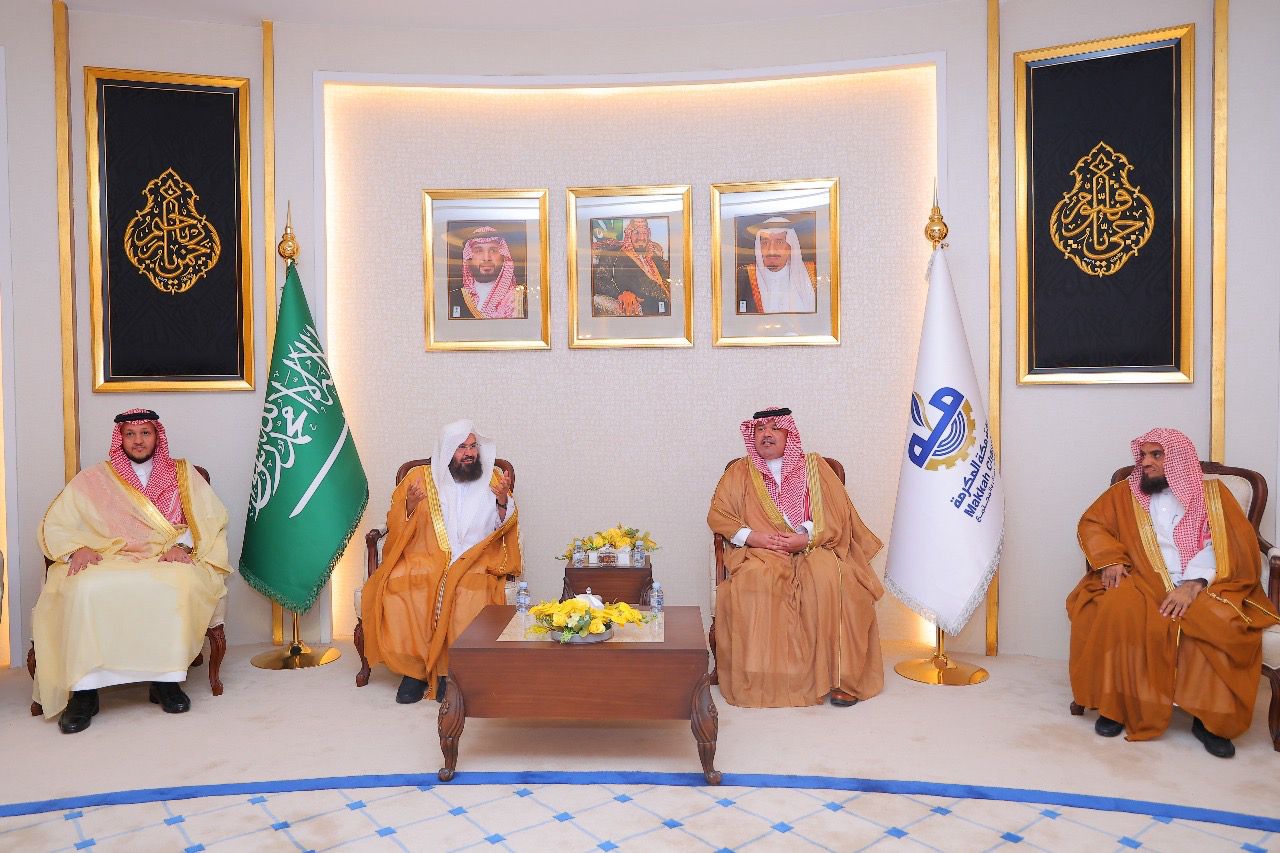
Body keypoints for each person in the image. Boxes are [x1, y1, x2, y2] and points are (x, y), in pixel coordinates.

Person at [1068, 428, 1280, 757]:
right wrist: (1111, 560)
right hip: (1141, 576)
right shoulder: (1125, 492)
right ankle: (1116, 706)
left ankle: (1210, 720)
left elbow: (1228, 545)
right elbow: (1092, 523)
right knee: (1115, 609)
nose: (1146, 462)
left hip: (1205, 580)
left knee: (1222, 623)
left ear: (1178, 459)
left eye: (1156, 455)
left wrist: (1193, 584)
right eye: (1143, 455)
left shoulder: (1213, 495)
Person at [33, 409, 231, 733]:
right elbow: (58, 522)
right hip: (108, 556)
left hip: (165, 556)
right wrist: (76, 549)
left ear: (157, 436)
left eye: (145, 433)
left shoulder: (183, 474)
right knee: (84, 588)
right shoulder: (95, 479)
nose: (138, 441)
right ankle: (84, 692)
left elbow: (210, 519)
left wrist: (183, 547)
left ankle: (165, 681)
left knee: (179, 583)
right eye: (130, 434)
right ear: (120, 438)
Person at [708, 407, 884, 707]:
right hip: (762, 551)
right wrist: (754, 537)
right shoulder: (739, 472)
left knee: (832, 579)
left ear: (789, 434)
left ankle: (842, 679)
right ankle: (765, 678)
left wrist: (805, 537)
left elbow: (837, 514)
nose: (766, 434)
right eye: (760, 429)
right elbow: (719, 516)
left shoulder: (815, 468)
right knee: (753, 579)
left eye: (774, 428)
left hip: (815, 545)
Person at [360, 419, 521, 703]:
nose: (469, 453)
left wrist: (502, 502)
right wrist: (410, 505)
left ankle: (451, 672)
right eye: (462, 447)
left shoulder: (493, 479)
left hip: (475, 556)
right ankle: (415, 671)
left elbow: (502, 527)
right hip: (426, 555)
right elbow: (395, 522)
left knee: (468, 592)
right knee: (403, 588)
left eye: (473, 446)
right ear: (447, 450)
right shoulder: (419, 478)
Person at [735, 216, 817, 314]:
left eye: (779, 242)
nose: (771, 250)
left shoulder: (812, 275)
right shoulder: (743, 277)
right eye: (765, 243)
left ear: (790, 246)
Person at [592, 218, 672, 316]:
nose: (641, 237)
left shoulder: (654, 256)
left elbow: (669, 279)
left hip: (666, 308)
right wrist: (620, 294)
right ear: (629, 234)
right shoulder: (614, 254)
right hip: (641, 312)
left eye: (644, 233)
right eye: (636, 233)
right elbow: (599, 281)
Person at [449, 225, 526, 320]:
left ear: (503, 257)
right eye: (478, 251)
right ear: (469, 258)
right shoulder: (453, 298)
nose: (486, 258)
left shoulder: (520, 299)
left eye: (493, 250)